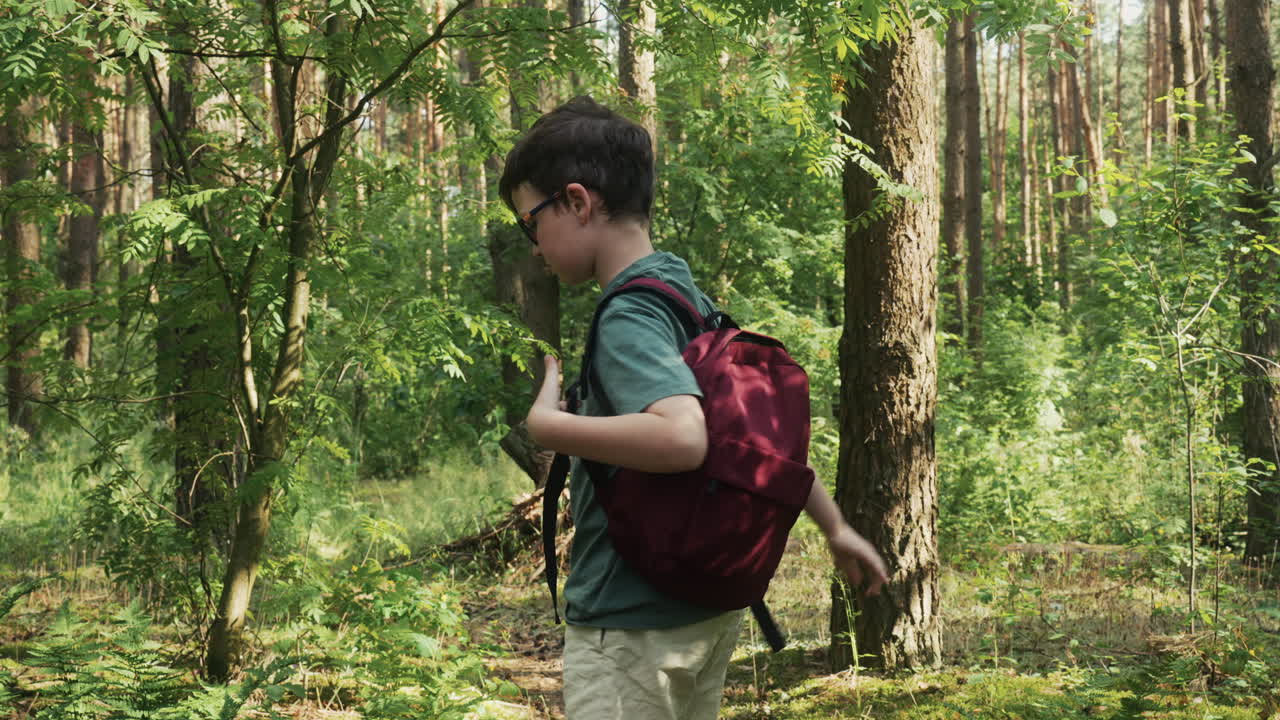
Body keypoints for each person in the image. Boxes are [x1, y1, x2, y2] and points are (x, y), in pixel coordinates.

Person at [499, 95, 889, 720]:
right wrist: (835, 527)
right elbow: (749, 439)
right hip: (701, 613)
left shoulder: (628, 313)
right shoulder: (683, 292)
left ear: (577, 202)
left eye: (530, 221)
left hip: (631, 624)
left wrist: (550, 425)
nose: (535, 246)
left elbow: (685, 439)